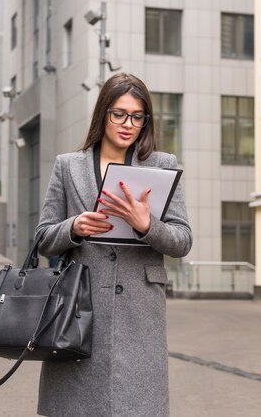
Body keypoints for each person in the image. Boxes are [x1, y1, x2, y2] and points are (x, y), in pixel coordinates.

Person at [34, 73, 192, 417]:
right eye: (118, 113)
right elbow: (44, 238)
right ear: (103, 113)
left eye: (137, 116)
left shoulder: (162, 165)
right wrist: (73, 227)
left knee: (136, 405)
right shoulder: (68, 166)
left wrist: (147, 225)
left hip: (141, 312)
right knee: (77, 407)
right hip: (78, 309)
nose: (127, 124)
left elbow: (182, 240)